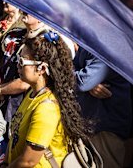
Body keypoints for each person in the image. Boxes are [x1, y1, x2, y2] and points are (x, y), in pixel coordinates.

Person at [7, 31, 91, 167]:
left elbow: (28, 161)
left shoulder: (47, 108)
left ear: (41, 68)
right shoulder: (32, 94)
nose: (18, 64)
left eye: (22, 61)